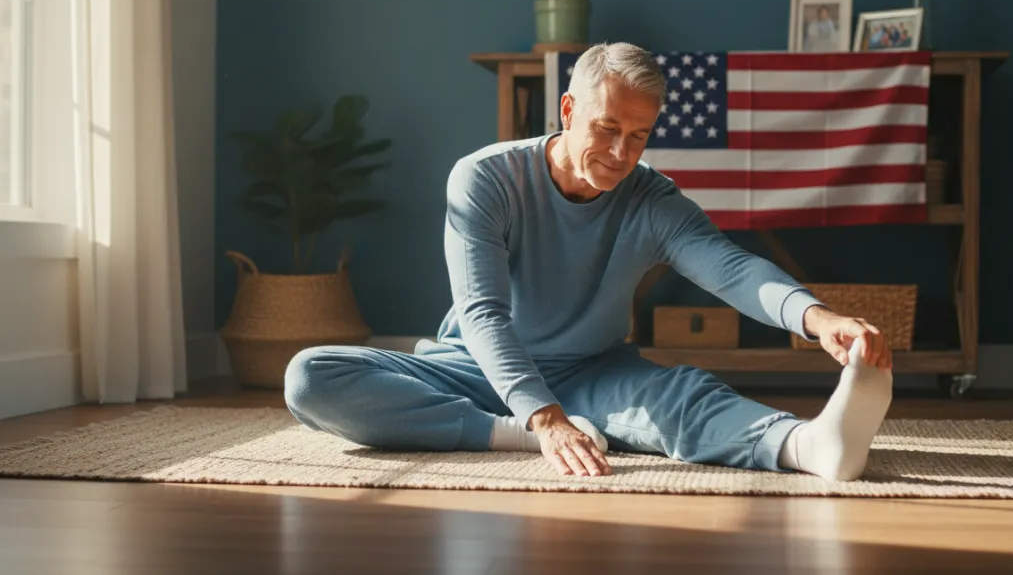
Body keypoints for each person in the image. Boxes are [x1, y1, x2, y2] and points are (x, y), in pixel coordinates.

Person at [283, 42, 894, 482]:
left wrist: (817, 319)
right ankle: (506, 434)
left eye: (639, 136)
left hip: (590, 373)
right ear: (568, 110)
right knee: (311, 377)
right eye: (607, 128)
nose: (622, 152)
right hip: (471, 366)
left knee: (678, 396)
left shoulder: (652, 198)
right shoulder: (485, 178)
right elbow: (483, 312)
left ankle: (808, 446)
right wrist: (544, 421)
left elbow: (731, 269)